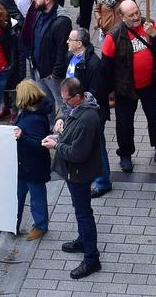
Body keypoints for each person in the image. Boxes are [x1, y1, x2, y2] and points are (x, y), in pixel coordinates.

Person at [41, 77, 103, 280]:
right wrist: (61, 128)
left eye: (66, 99)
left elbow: (78, 153)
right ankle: (83, 240)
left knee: (84, 213)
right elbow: (71, 129)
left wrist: (56, 146)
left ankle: (91, 258)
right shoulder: (79, 110)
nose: (63, 102)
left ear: (77, 97)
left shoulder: (88, 119)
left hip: (79, 172)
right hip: (74, 171)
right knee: (80, 209)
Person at [102, 0, 156, 171]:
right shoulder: (113, 36)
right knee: (124, 123)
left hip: (150, 84)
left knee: (155, 116)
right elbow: (106, 66)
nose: (136, 17)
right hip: (125, 88)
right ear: (122, 17)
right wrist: (109, 91)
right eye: (131, 15)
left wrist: (155, 35)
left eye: (137, 12)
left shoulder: (150, 24)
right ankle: (125, 154)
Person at [63, 28, 113, 198]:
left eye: (70, 39)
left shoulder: (93, 64)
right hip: (76, 110)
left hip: (91, 114)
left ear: (79, 43)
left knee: (97, 146)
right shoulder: (72, 57)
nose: (67, 42)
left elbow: (96, 92)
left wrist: (81, 106)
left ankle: (103, 182)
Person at [13, 79, 53, 240]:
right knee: (17, 196)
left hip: (34, 167)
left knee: (37, 197)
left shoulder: (35, 119)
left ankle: (40, 225)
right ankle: (13, 223)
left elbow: (40, 145)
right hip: (23, 164)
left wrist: (22, 137)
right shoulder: (33, 113)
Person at [30, 0, 71, 108]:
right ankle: (49, 126)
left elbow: (62, 50)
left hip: (52, 76)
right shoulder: (40, 13)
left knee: (63, 105)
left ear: (47, 0)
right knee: (46, 105)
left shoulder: (61, 22)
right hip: (39, 70)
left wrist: (55, 74)